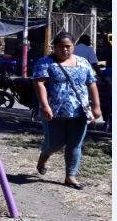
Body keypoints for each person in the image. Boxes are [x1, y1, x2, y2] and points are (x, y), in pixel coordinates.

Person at [33, 32, 101, 190]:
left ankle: (70, 176)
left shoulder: (83, 63)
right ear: (54, 47)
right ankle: (43, 158)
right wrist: (45, 105)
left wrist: (96, 106)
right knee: (54, 144)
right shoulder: (45, 63)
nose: (65, 50)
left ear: (73, 47)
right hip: (54, 112)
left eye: (68, 46)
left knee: (75, 144)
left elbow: (91, 84)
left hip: (79, 111)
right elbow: (40, 84)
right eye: (61, 47)